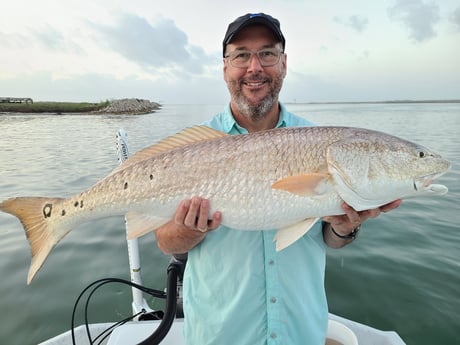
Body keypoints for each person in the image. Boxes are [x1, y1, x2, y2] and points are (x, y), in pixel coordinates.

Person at [154, 13, 401, 345]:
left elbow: (329, 238)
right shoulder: (195, 145)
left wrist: (345, 226)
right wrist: (186, 229)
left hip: (301, 333)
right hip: (220, 335)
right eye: (242, 55)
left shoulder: (318, 140)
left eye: (267, 54)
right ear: (225, 67)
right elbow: (165, 242)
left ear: (283, 63)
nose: (255, 67)